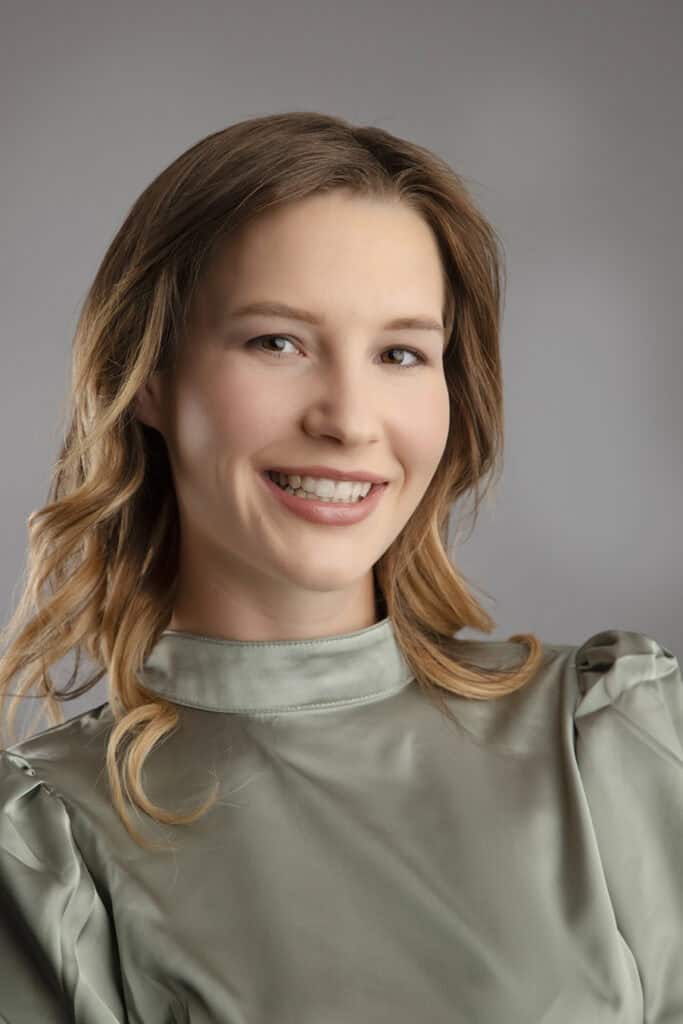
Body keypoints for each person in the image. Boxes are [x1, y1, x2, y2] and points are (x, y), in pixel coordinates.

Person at [0, 111, 680, 1023]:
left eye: (400, 352)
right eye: (276, 342)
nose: (350, 418)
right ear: (149, 375)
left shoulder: (611, 741)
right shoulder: (49, 846)